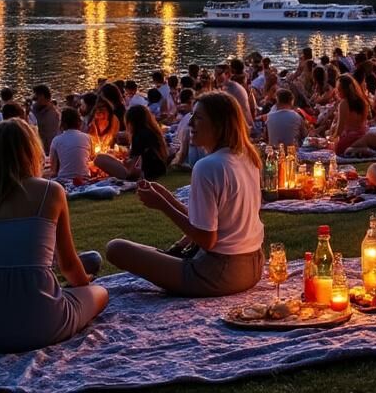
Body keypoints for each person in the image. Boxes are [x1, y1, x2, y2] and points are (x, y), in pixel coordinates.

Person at [0, 119, 107, 353]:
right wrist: (83, 288)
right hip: (43, 324)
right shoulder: (51, 191)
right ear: (31, 152)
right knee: (101, 293)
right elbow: (67, 264)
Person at [106, 92, 264, 297]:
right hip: (253, 267)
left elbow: (207, 239)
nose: (190, 124)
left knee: (116, 249)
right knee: (153, 254)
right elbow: (210, 224)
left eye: (198, 118)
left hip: (218, 274)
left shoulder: (207, 166)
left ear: (219, 124)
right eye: (192, 116)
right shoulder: (247, 158)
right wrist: (167, 198)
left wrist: (162, 206)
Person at [94, 104, 168, 181]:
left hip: (147, 173)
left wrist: (123, 162)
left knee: (99, 158)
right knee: (108, 157)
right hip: (159, 170)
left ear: (131, 122)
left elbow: (131, 170)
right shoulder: (152, 131)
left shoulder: (138, 136)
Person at [332, 74, 376, 155]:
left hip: (350, 138)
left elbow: (339, 129)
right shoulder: (362, 101)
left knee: (332, 148)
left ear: (342, 90)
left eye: (338, 88)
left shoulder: (344, 103)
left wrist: (331, 140)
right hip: (362, 134)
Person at [48, 108, 93, 182]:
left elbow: (53, 170)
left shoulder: (56, 140)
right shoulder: (87, 137)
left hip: (64, 179)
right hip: (85, 178)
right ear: (79, 123)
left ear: (63, 124)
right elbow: (89, 159)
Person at [30, 85, 61, 150]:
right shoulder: (34, 110)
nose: (34, 101)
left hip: (47, 150)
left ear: (42, 96)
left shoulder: (53, 114)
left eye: (36, 98)